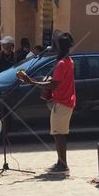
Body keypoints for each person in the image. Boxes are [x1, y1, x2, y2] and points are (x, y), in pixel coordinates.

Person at [20, 31, 76, 175]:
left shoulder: (62, 63)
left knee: (59, 134)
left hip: (62, 103)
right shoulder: (68, 61)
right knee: (58, 133)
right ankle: (60, 161)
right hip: (65, 101)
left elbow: (54, 84)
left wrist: (31, 81)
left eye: (55, 44)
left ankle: (63, 165)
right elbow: (57, 81)